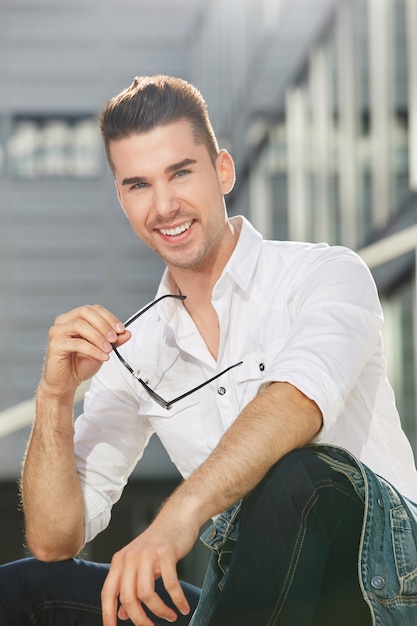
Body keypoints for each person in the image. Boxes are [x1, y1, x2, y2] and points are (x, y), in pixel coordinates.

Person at [1, 74, 417, 626]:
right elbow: (56, 539)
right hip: (249, 602)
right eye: (138, 184)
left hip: (377, 590)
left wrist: (178, 520)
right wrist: (55, 396)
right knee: (28, 588)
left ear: (222, 170)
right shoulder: (136, 350)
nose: (165, 205)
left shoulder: (324, 273)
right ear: (122, 198)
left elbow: (296, 402)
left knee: (299, 473)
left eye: (180, 173)